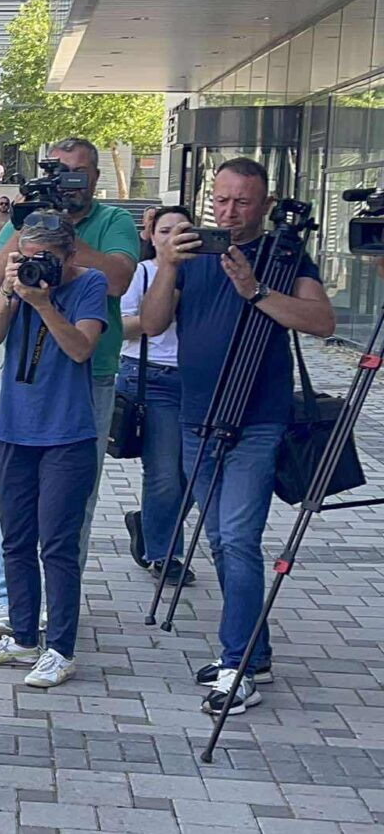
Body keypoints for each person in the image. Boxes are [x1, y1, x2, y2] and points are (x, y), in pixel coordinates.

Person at [142, 157, 335, 715]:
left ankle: (238, 664)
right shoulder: (192, 252)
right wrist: (166, 264)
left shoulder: (284, 254)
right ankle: (255, 650)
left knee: (237, 538)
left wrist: (255, 291)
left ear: (266, 205)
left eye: (242, 202)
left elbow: (321, 321)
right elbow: (153, 325)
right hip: (196, 415)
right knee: (220, 539)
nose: (229, 212)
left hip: (257, 418)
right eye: (221, 200)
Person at [0, 137, 138, 640]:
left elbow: (118, 280)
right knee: (16, 512)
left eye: (76, 173)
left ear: (94, 177)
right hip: (25, 383)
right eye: (58, 172)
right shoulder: (27, 224)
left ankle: (56, 608)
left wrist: (61, 236)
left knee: (70, 507)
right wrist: (26, 233)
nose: (66, 182)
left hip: (91, 375)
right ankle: (10, 606)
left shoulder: (113, 221)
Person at [0, 218, 109, 688]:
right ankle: (22, 637)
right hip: (13, 429)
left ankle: (61, 649)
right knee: (15, 540)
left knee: (59, 546)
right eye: (26, 258)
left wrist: (44, 304)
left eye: (46, 259)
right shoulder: (18, 287)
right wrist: (10, 292)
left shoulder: (90, 283)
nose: (36, 267)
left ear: (69, 256)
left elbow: (81, 348)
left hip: (67, 434)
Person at [118, 205, 195, 586]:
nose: (173, 238)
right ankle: (164, 554)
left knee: (194, 474)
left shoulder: (205, 272)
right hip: (151, 376)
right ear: (150, 235)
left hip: (198, 380)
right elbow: (120, 325)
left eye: (182, 230)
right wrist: (159, 311)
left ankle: (149, 525)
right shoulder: (142, 273)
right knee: (164, 472)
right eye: (165, 231)